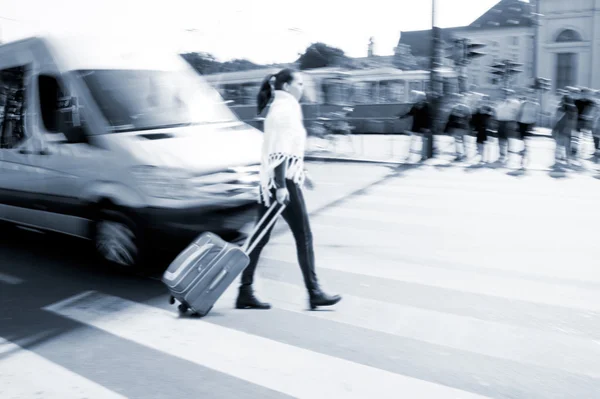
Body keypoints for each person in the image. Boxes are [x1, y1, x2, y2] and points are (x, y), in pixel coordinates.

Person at [236, 68, 342, 311]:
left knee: (259, 238)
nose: (302, 87)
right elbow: (280, 150)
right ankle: (314, 292)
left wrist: (302, 173)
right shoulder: (287, 108)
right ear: (287, 86)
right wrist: (283, 185)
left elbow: (285, 149)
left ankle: (245, 290)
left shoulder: (281, 106)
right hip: (281, 183)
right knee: (303, 236)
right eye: (300, 83)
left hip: (273, 181)